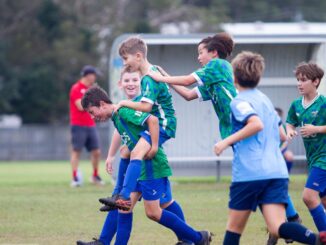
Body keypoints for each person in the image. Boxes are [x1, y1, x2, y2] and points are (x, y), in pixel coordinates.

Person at [214, 51, 325, 245]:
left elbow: (255, 124)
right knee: (277, 226)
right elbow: (282, 133)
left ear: (235, 77)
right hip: (276, 172)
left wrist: (225, 141)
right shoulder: (264, 99)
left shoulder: (238, 101)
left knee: (233, 229)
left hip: (250, 173)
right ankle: (317, 239)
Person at [80, 86, 212, 245]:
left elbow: (153, 120)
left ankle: (198, 238)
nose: (93, 117)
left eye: (92, 112)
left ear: (102, 104)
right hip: (138, 168)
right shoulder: (116, 117)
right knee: (124, 208)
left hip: (151, 166)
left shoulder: (123, 111)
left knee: (154, 212)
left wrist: (154, 146)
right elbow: (129, 147)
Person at [102, 36, 177, 210]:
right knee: (126, 151)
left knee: (135, 153)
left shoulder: (148, 78)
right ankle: (119, 193)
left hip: (163, 123)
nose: (124, 63)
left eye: (125, 58)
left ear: (138, 56)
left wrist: (122, 103)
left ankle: (123, 195)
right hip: (159, 122)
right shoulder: (154, 70)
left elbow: (146, 106)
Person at [147, 32, 237, 139]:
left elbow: (187, 80)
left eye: (201, 53)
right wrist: (165, 76)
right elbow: (188, 95)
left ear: (213, 52)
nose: (198, 58)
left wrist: (159, 77)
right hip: (231, 127)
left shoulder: (217, 64)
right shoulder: (213, 81)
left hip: (240, 121)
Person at [286, 62, 326, 233]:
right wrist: (289, 131)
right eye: (298, 80)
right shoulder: (296, 105)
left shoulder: (323, 103)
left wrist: (315, 129)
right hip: (313, 159)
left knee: (309, 197)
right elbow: (289, 123)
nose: (299, 84)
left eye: (303, 80)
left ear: (316, 81)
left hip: (323, 158)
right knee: (323, 202)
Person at [266, 107, 301, 245]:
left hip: (272, 162)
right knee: (273, 193)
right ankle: (286, 226)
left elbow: (284, 138)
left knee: (272, 192)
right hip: (269, 162)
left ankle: (286, 225)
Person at [69, 65, 104, 187]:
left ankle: (95, 175)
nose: (95, 78)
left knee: (97, 151)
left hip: (90, 124)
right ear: (89, 75)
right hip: (78, 124)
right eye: (94, 75)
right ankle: (75, 177)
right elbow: (80, 106)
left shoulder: (91, 89)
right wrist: (94, 99)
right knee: (76, 151)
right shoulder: (76, 88)